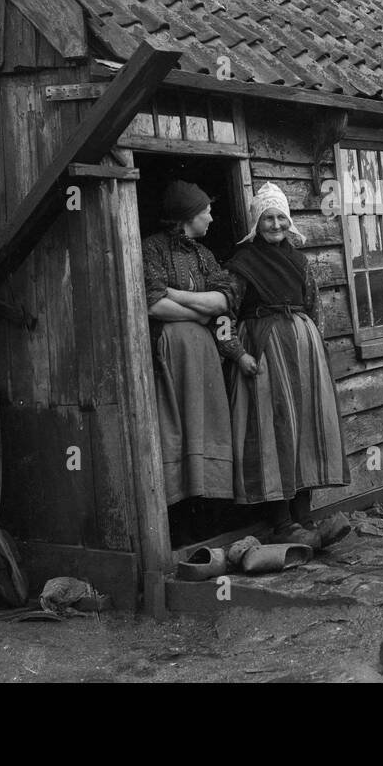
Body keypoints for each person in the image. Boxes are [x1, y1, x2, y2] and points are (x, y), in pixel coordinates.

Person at [222, 183, 350, 547]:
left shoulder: (299, 260)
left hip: (304, 356)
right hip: (264, 353)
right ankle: (281, 522)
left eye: (281, 217)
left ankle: (305, 518)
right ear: (256, 223)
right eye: (268, 218)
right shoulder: (241, 265)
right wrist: (237, 353)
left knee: (306, 427)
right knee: (274, 431)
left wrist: (316, 351)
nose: (275, 224)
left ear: (289, 221)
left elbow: (314, 307)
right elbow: (222, 316)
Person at [142, 181, 240, 537]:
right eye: (206, 212)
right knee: (176, 428)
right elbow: (153, 303)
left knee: (209, 424)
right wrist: (197, 315)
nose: (212, 218)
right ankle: (181, 522)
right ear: (187, 217)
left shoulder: (204, 255)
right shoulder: (151, 249)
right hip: (172, 355)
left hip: (205, 356)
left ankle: (210, 515)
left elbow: (223, 301)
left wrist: (176, 295)